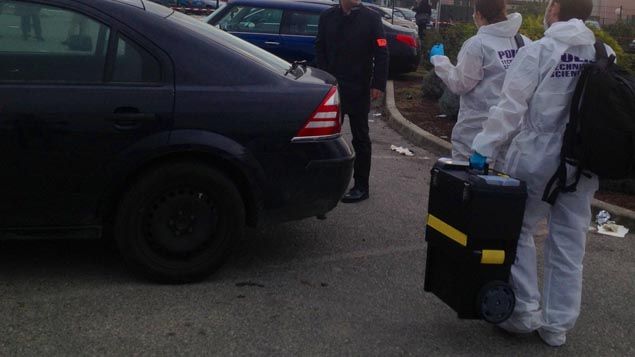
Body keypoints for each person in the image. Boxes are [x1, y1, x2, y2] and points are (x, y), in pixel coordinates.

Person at [468, 0, 615, 347]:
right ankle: (556, 325)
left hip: (538, 155)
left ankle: (522, 313)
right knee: (569, 240)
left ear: (556, 9)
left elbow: (510, 107)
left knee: (516, 228)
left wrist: (482, 147)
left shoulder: (541, 50)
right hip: (582, 161)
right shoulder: (602, 51)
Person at [430, 0, 530, 169]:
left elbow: (460, 84)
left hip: (475, 131)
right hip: (511, 130)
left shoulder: (478, 44)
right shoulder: (525, 43)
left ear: (479, 15)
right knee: (501, 185)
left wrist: (439, 60)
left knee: (466, 183)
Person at [315, 0, 389, 203]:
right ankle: (325, 183)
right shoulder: (327, 17)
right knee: (326, 138)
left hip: (358, 88)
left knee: (361, 139)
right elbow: (319, 46)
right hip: (333, 89)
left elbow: (382, 52)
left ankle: (361, 186)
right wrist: (324, 77)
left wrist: (378, 84)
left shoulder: (371, 19)